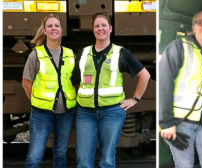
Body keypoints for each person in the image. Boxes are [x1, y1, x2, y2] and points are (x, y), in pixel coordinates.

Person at [73, 12, 150, 168]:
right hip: (85, 113)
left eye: (104, 25)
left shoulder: (120, 53)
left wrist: (134, 99)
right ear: (93, 29)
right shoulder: (83, 53)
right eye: (97, 26)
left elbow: (145, 75)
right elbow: (75, 81)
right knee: (82, 159)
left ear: (110, 28)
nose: (100, 28)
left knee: (107, 159)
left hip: (112, 112)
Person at [159, 11, 202, 168]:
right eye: (200, 22)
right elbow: (164, 84)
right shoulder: (179, 46)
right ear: (193, 27)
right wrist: (166, 122)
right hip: (181, 123)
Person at [22, 14, 77, 168]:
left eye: (57, 26)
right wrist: (38, 103)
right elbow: (26, 84)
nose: (54, 28)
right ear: (44, 31)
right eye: (50, 26)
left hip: (66, 113)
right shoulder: (36, 54)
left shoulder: (70, 54)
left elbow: (74, 82)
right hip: (41, 113)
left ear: (61, 30)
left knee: (60, 153)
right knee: (34, 156)